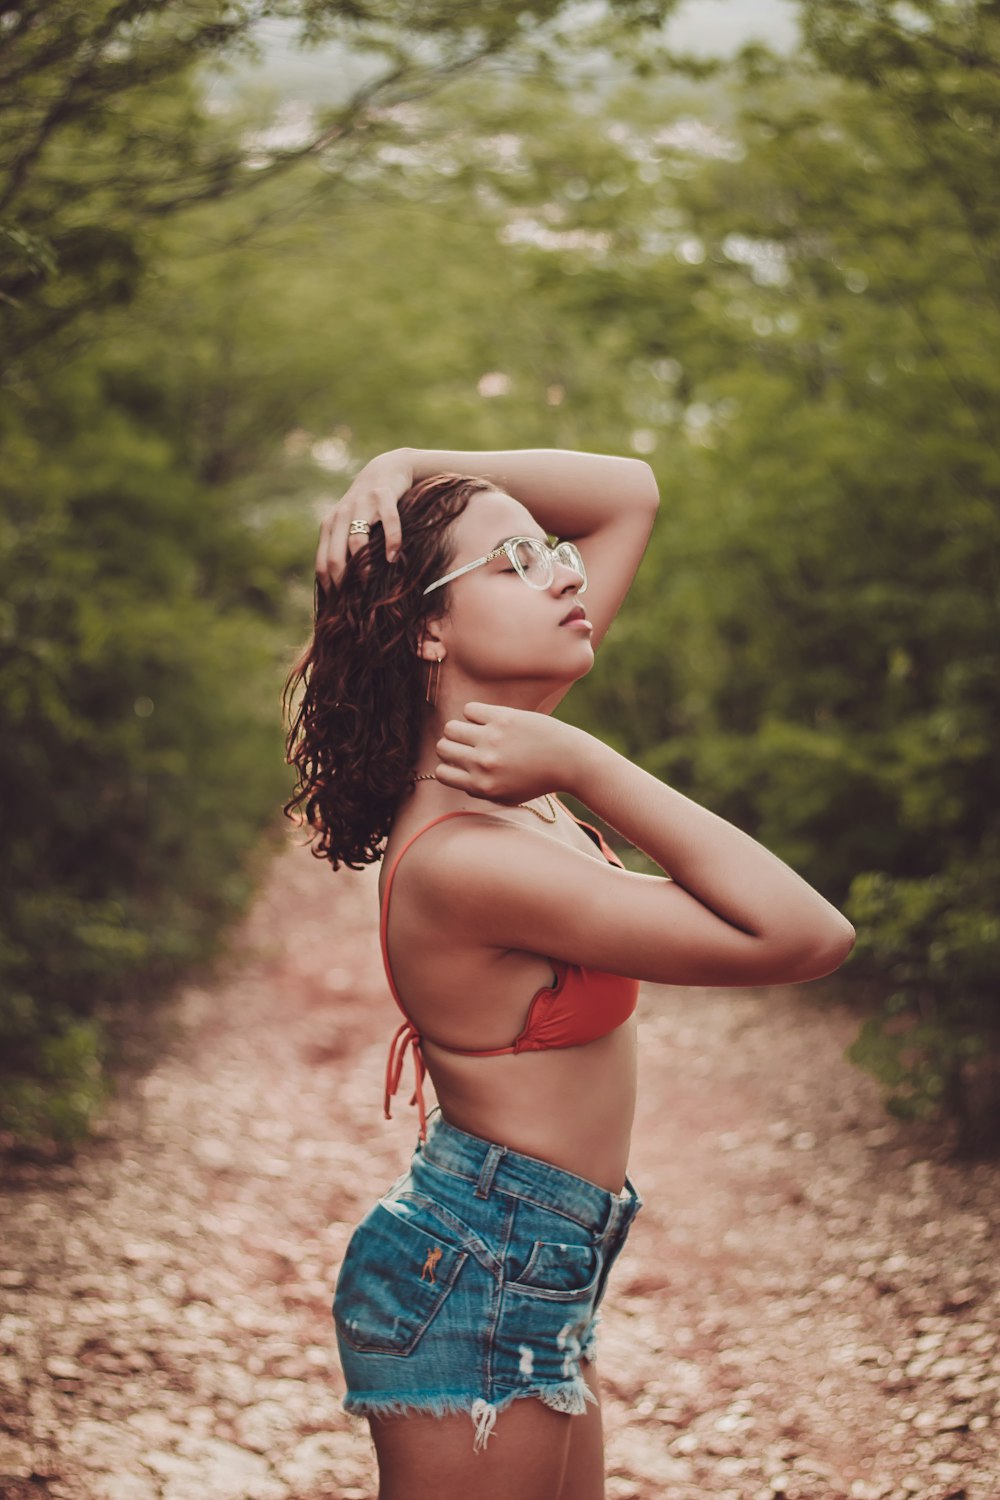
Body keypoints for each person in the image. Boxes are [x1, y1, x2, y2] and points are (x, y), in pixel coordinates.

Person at [283, 446, 856, 1500]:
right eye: (511, 562)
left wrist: (406, 462)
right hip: (475, 1273)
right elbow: (806, 936)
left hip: (534, 1264)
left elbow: (629, 490)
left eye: (549, 550)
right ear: (427, 628)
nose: (561, 573)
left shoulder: (499, 762)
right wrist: (588, 762)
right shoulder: (470, 855)